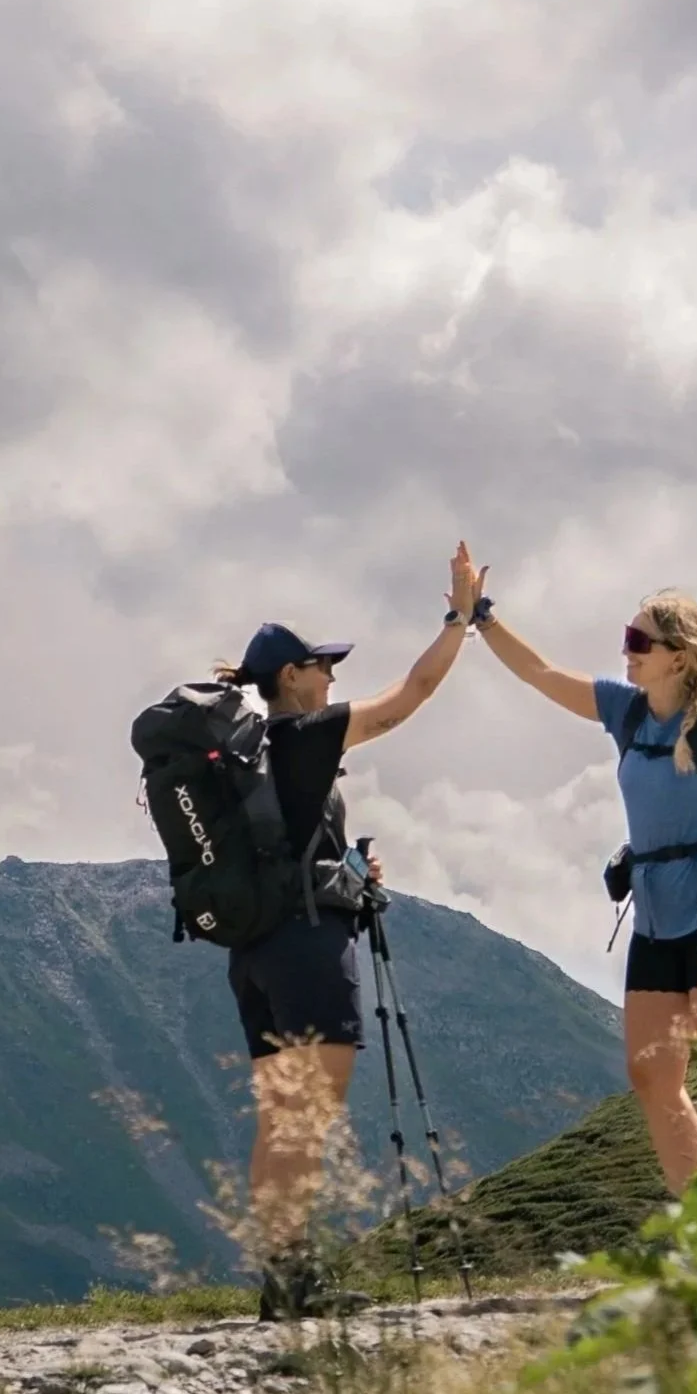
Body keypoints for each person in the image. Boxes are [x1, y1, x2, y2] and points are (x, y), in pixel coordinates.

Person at [462, 548, 697, 1192]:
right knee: (652, 1075)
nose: (627, 650)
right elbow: (540, 673)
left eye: (639, 640)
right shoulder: (630, 710)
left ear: (679, 655)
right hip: (656, 917)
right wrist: (480, 616)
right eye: (627, 637)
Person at [216, 545, 482, 1317]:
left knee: (280, 1120)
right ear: (290, 676)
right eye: (322, 665)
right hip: (307, 948)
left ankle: (281, 1279)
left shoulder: (238, 755)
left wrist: (342, 870)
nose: (332, 677)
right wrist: (459, 619)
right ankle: (294, 1282)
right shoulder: (302, 736)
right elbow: (411, 694)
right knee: (306, 1119)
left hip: (253, 952)